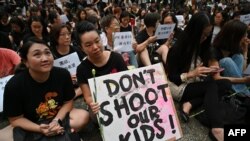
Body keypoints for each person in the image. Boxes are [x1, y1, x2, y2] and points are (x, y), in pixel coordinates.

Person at [3, 38, 89, 139]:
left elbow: (68, 102)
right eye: (37, 55)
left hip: (57, 116)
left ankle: (56, 132)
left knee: (83, 117)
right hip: (31, 124)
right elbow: (15, 120)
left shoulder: (63, 74)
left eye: (47, 53)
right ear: (26, 62)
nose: (45, 58)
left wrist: (56, 121)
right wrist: (40, 128)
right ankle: (61, 134)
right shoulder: (14, 85)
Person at [166, 12, 228, 141]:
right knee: (211, 86)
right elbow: (172, 77)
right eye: (203, 34)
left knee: (224, 83)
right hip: (179, 86)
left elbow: (202, 68)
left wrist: (210, 70)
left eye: (208, 35)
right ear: (194, 31)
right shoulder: (177, 48)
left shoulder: (202, 46)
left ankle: (189, 104)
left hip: (194, 82)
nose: (205, 38)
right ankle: (217, 128)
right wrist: (191, 74)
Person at [76, 21, 127, 120]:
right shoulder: (82, 69)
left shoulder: (116, 58)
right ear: (81, 48)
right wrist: (92, 104)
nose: (95, 47)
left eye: (97, 41)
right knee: (96, 117)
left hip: (121, 99)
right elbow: (88, 96)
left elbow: (127, 82)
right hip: (101, 105)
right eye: (88, 45)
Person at [211, 20, 250, 96]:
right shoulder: (213, 51)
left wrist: (245, 51)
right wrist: (244, 80)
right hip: (216, 84)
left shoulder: (234, 50)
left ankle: (243, 94)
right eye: (243, 36)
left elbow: (240, 73)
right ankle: (247, 95)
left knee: (239, 56)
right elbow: (216, 78)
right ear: (234, 37)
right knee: (226, 61)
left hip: (234, 86)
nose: (245, 38)